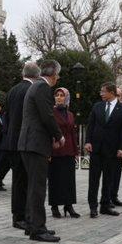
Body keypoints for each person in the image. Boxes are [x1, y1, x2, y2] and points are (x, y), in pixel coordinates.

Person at [19, 60, 64, 242]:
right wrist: (58, 136)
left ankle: (32, 224)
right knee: (38, 188)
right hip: (36, 144)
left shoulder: (34, 86)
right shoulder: (43, 88)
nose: (58, 79)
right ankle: (38, 229)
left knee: (32, 187)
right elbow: (47, 116)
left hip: (28, 143)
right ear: (53, 75)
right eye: (58, 75)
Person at [0, 62, 40, 231]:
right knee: (24, 181)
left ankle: (19, 215)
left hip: (12, 141)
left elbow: (5, 116)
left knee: (19, 180)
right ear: (36, 76)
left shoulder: (12, 90)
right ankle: (21, 216)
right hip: (24, 142)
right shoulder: (31, 90)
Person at [85, 82, 122, 218]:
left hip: (112, 151)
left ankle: (105, 206)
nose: (101, 94)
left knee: (108, 180)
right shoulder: (97, 106)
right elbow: (90, 125)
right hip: (96, 149)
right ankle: (93, 207)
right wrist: (87, 141)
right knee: (93, 180)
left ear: (111, 92)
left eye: (103, 91)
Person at [49, 87, 80, 219]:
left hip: (69, 151)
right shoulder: (51, 112)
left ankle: (69, 205)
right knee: (55, 179)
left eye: (62, 95)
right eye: (57, 95)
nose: (59, 97)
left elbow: (73, 134)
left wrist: (76, 151)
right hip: (55, 150)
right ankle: (54, 206)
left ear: (66, 98)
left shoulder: (71, 114)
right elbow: (48, 131)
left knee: (69, 180)